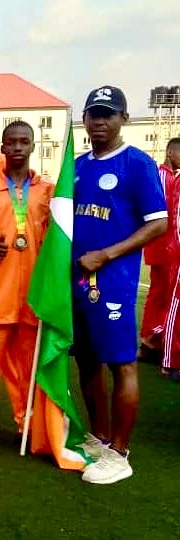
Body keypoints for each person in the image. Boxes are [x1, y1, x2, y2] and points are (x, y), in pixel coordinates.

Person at [72, 86, 167, 484]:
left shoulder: (137, 164)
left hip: (113, 281)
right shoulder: (78, 165)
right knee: (87, 360)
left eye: (108, 114)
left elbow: (158, 223)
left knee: (121, 362)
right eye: (94, 113)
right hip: (77, 279)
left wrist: (107, 255)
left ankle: (120, 453)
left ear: (123, 118)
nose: (99, 121)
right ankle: (99, 438)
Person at [0, 121, 53, 452]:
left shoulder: (48, 191)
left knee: (27, 371)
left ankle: (26, 424)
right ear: (1, 147)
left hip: (32, 296)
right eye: (11, 142)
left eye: (23, 142)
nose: (17, 147)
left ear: (33, 146)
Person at [139, 137, 180, 363]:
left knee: (163, 295)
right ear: (170, 153)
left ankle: (156, 341)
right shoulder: (163, 177)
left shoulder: (170, 177)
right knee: (161, 295)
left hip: (167, 246)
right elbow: (164, 216)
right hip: (164, 247)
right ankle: (151, 342)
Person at [160, 138, 180, 380]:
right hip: (172, 251)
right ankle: (170, 360)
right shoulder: (174, 180)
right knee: (173, 303)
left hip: (169, 249)